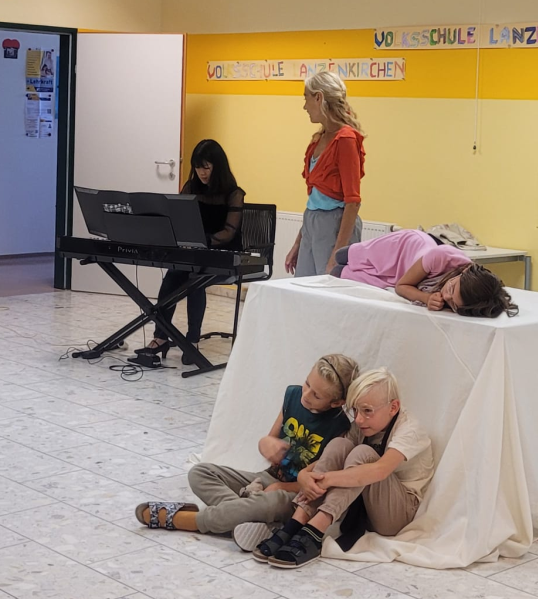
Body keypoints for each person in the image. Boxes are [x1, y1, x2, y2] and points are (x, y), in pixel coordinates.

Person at [134, 354, 359, 550]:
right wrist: (266, 444)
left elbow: (315, 485)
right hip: (267, 478)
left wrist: (281, 488)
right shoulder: (293, 395)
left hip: (294, 496)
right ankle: (246, 519)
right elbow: (269, 440)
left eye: (317, 395)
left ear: (336, 402)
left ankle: (187, 520)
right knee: (199, 472)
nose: (306, 394)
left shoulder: (340, 428)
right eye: (307, 383)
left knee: (270, 502)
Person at [250, 368, 434, 569]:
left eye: (367, 411)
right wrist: (304, 475)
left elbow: (380, 470)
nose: (359, 419)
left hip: (397, 514)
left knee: (363, 454)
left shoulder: (410, 430)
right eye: (355, 410)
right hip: (362, 506)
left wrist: (327, 479)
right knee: (340, 444)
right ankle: (297, 521)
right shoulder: (361, 425)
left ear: (393, 407)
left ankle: (315, 531)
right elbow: (333, 455)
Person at [135, 139, 244, 364]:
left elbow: (229, 232)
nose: (201, 173)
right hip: (195, 253)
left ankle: (192, 340)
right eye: (197, 167)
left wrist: (202, 242)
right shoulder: (191, 187)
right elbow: (179, 219)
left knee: (196, 279)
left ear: (217, 166)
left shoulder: (233, 193)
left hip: (222, 255)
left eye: (206, 167)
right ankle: (161, 336)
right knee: (172, 276)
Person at [332, 229, 519, 318]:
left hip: (405, 273)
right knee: (342, 257)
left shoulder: (470, 298)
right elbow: (401, 286)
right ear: (463, 272)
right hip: (404, 248)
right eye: (451, 289)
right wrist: (426, 298)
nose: (446, 297)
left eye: (453, 304)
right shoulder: (442, 256)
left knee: (339, 273)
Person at [285, 71, 365, 277]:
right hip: (312, 222)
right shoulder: (319, 138)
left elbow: (353, 202)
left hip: (335, 224)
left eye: (306, 98)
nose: (304, 106)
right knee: (302, 286)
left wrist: (337, 254)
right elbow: (315, 199)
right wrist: (298, 242)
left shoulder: (345, 139)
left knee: (328, 287)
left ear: (318, 98)